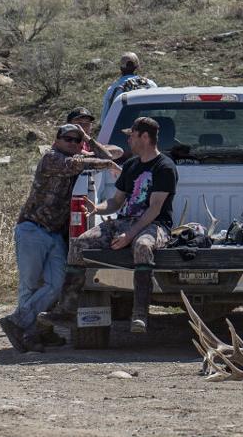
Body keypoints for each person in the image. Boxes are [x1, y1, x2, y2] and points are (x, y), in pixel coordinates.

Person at [45, 117, 178, 334]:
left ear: (145, 137)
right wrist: (97, 208)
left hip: (154, 225)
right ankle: (67, 310)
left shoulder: (165, 166)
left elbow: (154, 209)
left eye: (132, 136)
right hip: (125, 222)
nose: (128, 140)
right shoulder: (132, 166)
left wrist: (130, 235)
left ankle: (140, 315)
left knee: (143, 247)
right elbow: (116, 202)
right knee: (80, 244)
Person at [0, 125, 119, 352]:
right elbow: (84, 164)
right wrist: (106, 163)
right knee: (31, 285)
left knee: (56, 285)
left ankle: (18, 322)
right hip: (33, 229)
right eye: (68, 139)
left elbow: (109, 156)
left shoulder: (77, 153)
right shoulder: (51, 158)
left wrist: (88, 139)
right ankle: (29, 335)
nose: (73, 144)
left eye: (77, 141)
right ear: (56, 140)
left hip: (54, 233)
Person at [101, 52, 157, 121]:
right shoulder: (151, 85)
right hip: (150, 128)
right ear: (137, 67)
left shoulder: (113, 89)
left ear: (121, 68)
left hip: (123, 129)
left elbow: (104, 120)